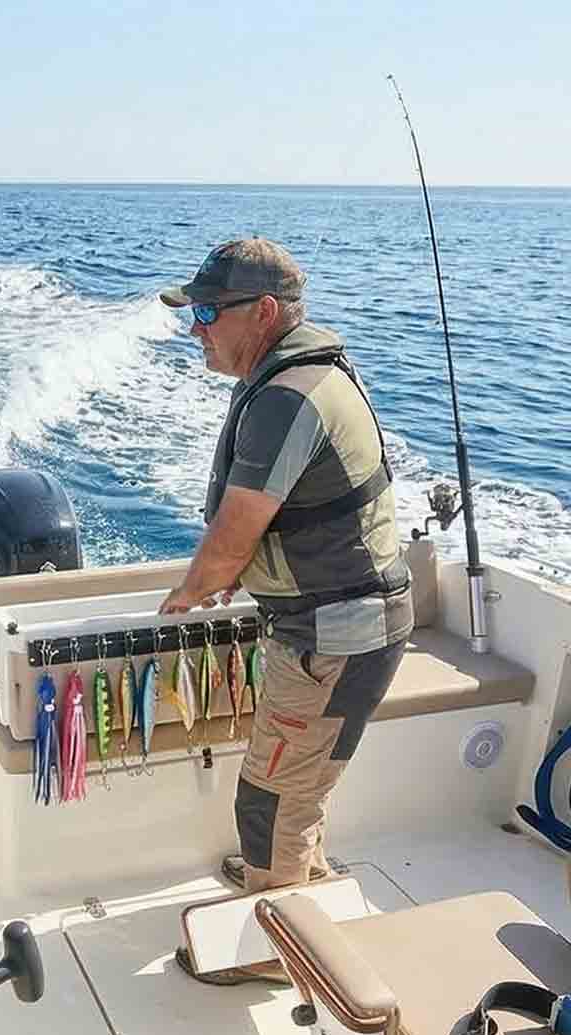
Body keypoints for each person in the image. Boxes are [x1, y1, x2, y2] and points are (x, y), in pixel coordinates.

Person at [156, 238, 413, 984]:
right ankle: (300, 886)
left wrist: (193, 590)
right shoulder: (296, 373)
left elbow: (233, 536)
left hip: (333, 639)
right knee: (300, 780)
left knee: (271, 796)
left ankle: (277, 951)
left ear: (263, 313)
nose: (196, 327)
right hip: (348, 629)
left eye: (207, 312)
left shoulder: (286, 394)